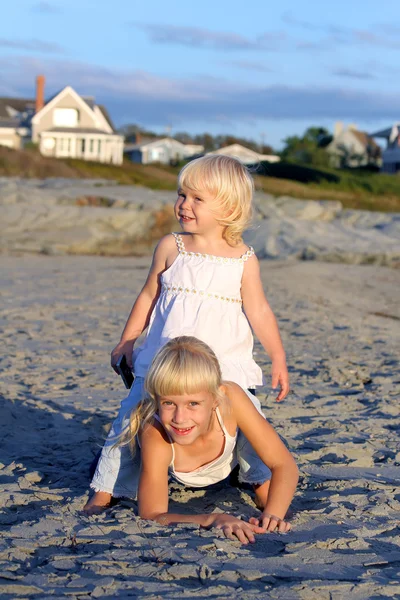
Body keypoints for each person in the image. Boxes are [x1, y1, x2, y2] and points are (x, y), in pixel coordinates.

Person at [84, 154, 289, 514]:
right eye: (181, 195)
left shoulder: (243, 259)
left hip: (224, 366)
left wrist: (278, 357)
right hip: (165, 362)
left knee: (248, 426)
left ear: (228, 206)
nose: (184, 205)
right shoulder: (171, 247)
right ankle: (104, 491)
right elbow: (149, 295)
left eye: (197, 198)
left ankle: (260, 482)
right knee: (128, 420)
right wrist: (128, 339)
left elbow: (259, 310)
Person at [117, 337, 298, 544]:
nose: (180, 418)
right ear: (156, 399)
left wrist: (273, 516)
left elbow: (284, 464)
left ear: (215, 398)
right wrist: (212, 518)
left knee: (262, 447)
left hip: (230, 465)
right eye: (168, 403)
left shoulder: (230, 397)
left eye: (193, 403)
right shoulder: (155, 433)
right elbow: (152, 515)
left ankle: (256, 485)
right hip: (160, 469)